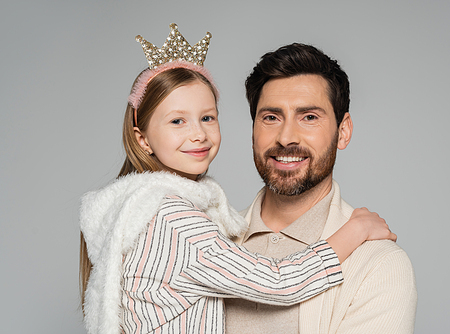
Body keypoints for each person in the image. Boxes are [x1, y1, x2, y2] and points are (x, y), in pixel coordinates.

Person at [79, 25, 396, 334]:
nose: (198, 133)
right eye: (177, 121)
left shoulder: (141, 213)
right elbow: (277, 282)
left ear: (343, 130)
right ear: (142, 139)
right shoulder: (175, 221)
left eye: (207, 117)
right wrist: (355, 229)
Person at [225, 43, 418, 334]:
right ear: (253, 130)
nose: (286, 137)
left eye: (309, 117)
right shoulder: (207, 242)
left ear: (343, 131)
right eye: (271, 117)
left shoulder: (378, 265)